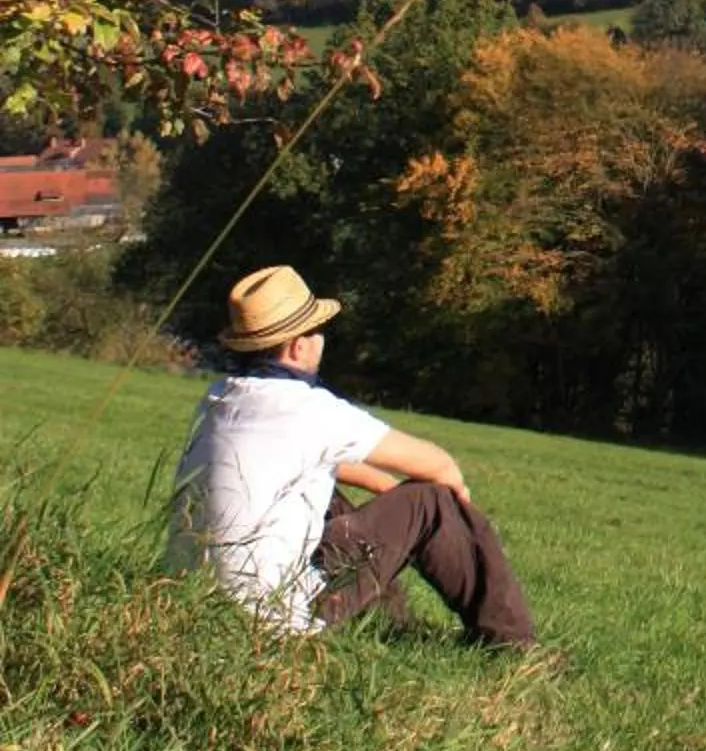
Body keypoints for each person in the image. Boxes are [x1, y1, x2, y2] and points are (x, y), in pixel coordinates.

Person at [166, 263, 536, 647]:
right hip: (273, 621)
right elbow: (438, 465)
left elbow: (319, 460)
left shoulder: (218, 397)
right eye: (318, 331)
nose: (323, 340)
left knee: (327, 497)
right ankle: (512, 643)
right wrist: (453, 509)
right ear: (298, 346)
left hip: (198, 604)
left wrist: (389, 494)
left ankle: (388, 619)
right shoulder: (310, 409)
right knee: (432, 503)